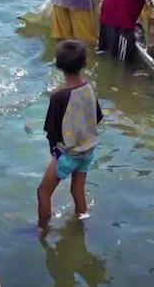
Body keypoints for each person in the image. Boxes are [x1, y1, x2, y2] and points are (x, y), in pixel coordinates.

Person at [37, 40, 103, 229]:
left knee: (43, 192)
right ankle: (82, 223)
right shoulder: (89, 88)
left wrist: (55, 154)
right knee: (78, 190)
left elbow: (52, 131)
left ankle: (43, 231)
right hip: (88, 150)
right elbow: (96, 117)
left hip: (67, 154)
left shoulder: (59, 97)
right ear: (84, 63)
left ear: (58, 66)